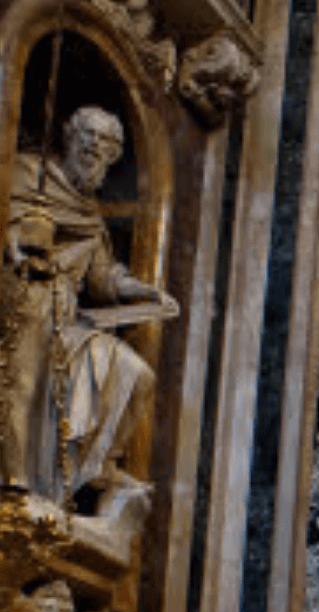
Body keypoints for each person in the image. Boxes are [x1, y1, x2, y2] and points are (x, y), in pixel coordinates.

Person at [4, 106, 178, 511]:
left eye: (104, 143)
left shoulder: (90, 212)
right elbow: (7, 223)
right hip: (23, 297)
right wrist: (19, 247)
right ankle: (16, 480)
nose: (93, 146)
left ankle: (95, 469)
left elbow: (102, 278)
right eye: (88, 135)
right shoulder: (30, 173)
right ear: (69, 134)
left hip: (68, 317)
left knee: (136, 374)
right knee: (25, 373)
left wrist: (147, 293)